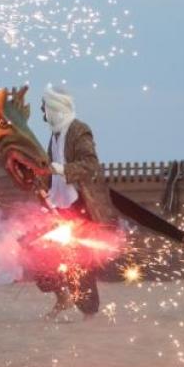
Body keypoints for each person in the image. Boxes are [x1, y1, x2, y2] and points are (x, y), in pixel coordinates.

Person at [33, 84, 117, 320]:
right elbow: (51, 171)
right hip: (59, 207)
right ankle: (63, 297)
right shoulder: (55, 134)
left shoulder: (79, 130)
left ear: (54, 108)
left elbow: (90, 165)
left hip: (82, 207)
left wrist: (62, 169)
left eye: (44, 109)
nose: (42, 114)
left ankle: (89, 313)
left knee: (81, 263)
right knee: (42, 254)